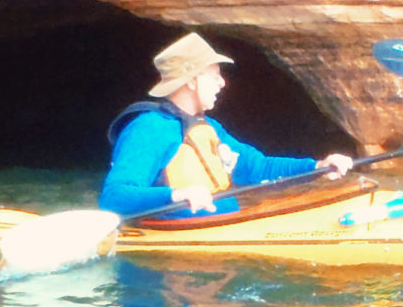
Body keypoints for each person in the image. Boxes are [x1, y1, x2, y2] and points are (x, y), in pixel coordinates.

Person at [100, 32, 353, 218]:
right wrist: (175, 195)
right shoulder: (149, 129)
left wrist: (317, 167)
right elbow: (113, 197)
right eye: (214, 75)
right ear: (191, 81)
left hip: (226, 228)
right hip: (184, 257)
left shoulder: (208, 127)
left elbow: (257, 167)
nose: (222, 83)